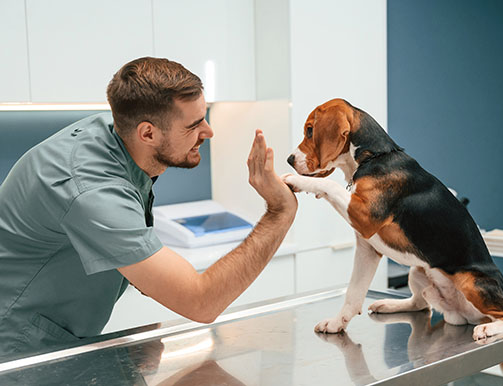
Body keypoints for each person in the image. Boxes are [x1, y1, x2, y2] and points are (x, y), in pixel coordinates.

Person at [0, 57, 298, 359]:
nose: (208, 132)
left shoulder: (117, 140)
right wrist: (279, 212)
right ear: (148, 134)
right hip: (17, 351)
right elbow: (202, 302)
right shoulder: (91, 189)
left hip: (58, 339)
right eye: (194, 125)